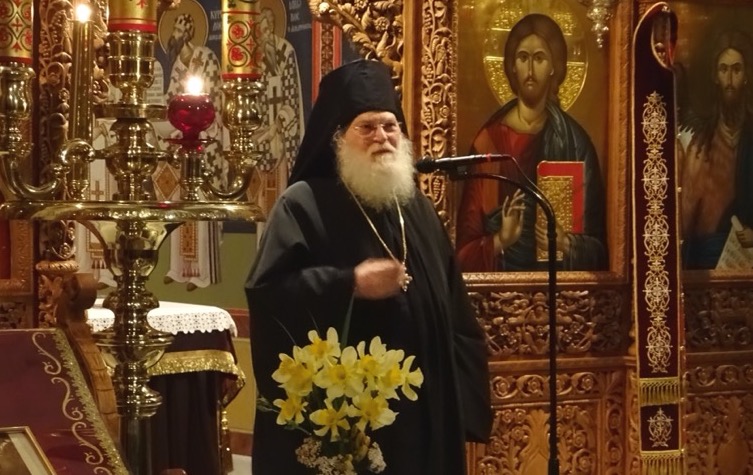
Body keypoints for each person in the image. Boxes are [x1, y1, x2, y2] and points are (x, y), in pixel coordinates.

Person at [245, 59, 492, 474]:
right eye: (367, 127)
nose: (382, 137)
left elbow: (457, 311)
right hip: (351, 420)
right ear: (338, 138)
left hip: (427, 409)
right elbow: (268, 292)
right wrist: (348, 284)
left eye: (390, 126)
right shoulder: (303, 204)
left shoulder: (416, 207)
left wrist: (465, 407)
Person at [456, 13, 607, 272]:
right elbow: (462, 253)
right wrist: (501, 240)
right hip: (498, 286)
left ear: (554, 67)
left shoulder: (575, 143)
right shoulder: (489, 143)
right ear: (512, 66)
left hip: (563, 289)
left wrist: (566, 243)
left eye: (539, 59)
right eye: (523, 57)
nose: (529, 70)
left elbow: (602, 251)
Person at [679, 30, 753, 269]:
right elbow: (685, 225)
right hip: (706, 267)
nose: (729, 80)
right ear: (715, 76)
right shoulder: (700, 146)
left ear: (746, 76)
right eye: (723, 69)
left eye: (736, 69)